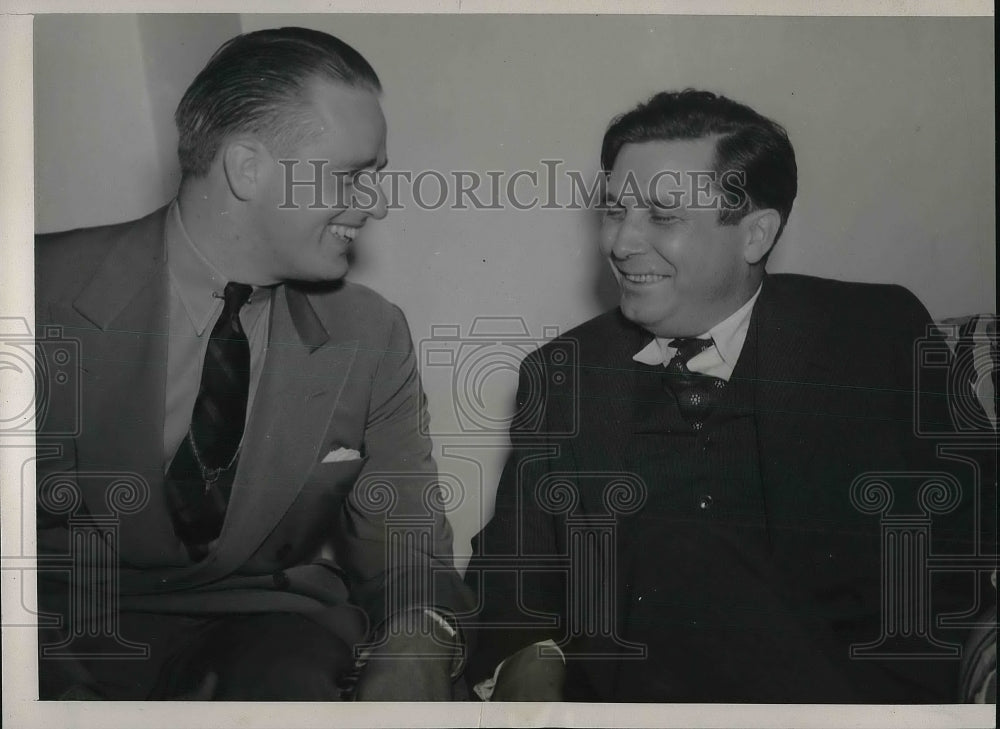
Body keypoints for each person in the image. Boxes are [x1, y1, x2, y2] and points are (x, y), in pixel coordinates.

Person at [465, 90, 979, 703]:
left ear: (755, 234)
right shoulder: (562, 374)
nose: (621, 243)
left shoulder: (875, 333)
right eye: (614, 210)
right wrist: (529, 667)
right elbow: (513, 587)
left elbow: (969, 536)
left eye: (662, 216)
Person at [35, 27, 470, 701]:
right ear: (246, 167)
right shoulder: (35, 293)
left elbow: (405, 545)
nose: (378, 203)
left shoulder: (371, 331)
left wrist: (417, 640)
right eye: (355, 174)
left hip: (271, 642)